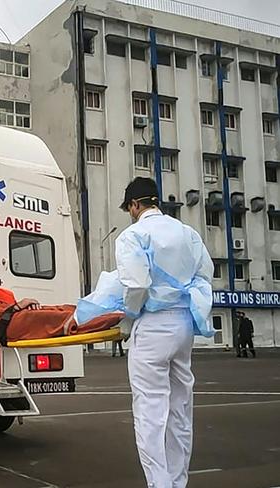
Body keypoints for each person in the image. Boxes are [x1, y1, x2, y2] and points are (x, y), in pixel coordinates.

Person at [77, 177, 214, 488]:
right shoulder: (188, 233)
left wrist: (130, 314)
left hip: (153, 325)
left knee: (150, 410)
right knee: (180, 409)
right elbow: (205, 274)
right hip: (183, 324)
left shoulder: (132, 236)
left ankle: (159, 484)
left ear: (135, 205)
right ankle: (178, 482)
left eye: (129, 207)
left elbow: (136, 284)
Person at [0, 284, 123, 346]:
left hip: (16, 316)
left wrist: (16, 307)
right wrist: (14, 308)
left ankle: (112, 311)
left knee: (63, 308)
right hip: (10, 324)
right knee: (61, 320)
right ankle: (116, 319)